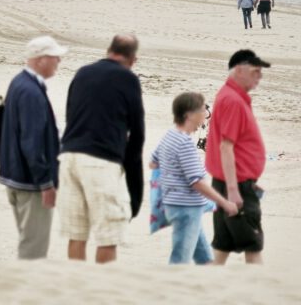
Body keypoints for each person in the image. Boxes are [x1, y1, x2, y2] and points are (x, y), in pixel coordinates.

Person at [58, 34, 145, 264]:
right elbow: (137, 135)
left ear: (109, 51)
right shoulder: (128, 79)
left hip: (69, 157)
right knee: (108, 236)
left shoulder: (83, 73)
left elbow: (70, 116)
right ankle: (101, 283)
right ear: (133, 59)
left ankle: (77, 283)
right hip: (100, 160)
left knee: (77, 233)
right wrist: (135, 194)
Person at [0, 36, 66, 260]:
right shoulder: (30, 91)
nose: (59, 61)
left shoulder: (20, 82)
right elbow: (32, 143)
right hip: (30, 183)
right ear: (41, 59)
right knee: (33, 251)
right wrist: (46, 184)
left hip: (17, 176)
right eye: (55, 57)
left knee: (29, 243)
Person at [149, 92, 238, 265]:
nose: (206, 115)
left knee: (205, 260)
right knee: (179, 261)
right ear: (189, 115)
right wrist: (224, 203)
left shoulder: (170, 136)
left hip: (177, 205)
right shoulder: (185, 143)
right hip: (186, 209)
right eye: (203, 110)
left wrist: (172, 179)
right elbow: (196, 182)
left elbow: (153, 163)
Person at [206, 49, 270, 265]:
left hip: (226, 183)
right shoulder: (232, 100)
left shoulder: (230, 96)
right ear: (239, 70)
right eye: (255, 71)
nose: (259, 77)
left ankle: (203, 284)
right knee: (253, 246)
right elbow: (226, 147)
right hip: (236, 186)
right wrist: (234, 190)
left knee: (222, 247)